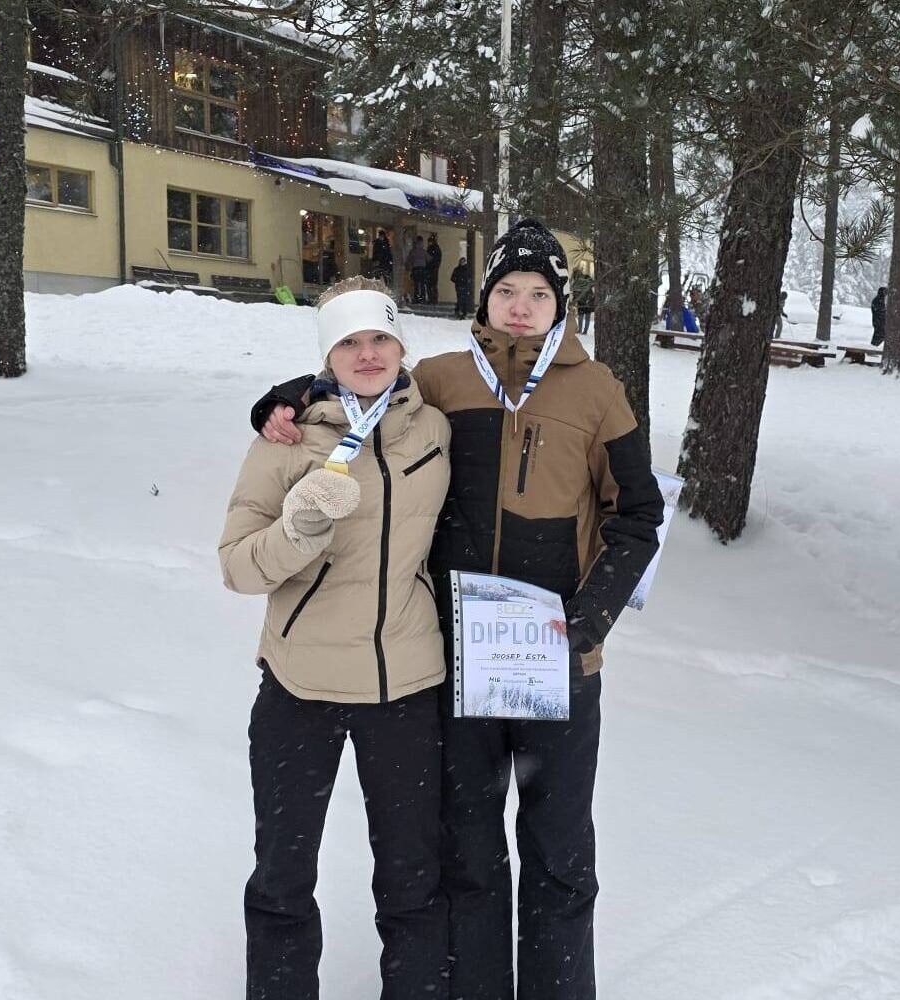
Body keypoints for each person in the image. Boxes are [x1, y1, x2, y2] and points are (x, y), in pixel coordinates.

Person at [252, 218, 665, 1000]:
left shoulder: (599, 389)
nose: (520, 306)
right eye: (506, 290)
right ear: (485, 299)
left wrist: (589, 621)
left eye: (537, 293)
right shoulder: (443, 376)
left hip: (561, 660)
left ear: (560, 304)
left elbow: (638, 516)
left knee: (560, 850)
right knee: (468, 849)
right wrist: (286, 397)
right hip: (462, 658)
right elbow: (361, 391)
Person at [218, 277, 453, 1000]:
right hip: (300, 688)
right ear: (327, 353)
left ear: (401, 343)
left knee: (414, 882)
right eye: (349, 340)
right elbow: (236, 566)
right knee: (284, 878)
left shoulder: (435, 431)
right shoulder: (285, 441)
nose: (368, 352)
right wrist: (298, 532)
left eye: (380, 336)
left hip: (405, 687)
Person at [406, 235, 429, 304]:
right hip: (422, 269)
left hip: (415, 268)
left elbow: (409, 260)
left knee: (416, 284)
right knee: (422, 285)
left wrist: (409, 268)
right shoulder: (423, 251)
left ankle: (416, 298)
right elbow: (429, 259)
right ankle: (423, 298)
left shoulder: (413, 251)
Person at [572, 269, 595, 335]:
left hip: (587, 300)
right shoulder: (578, 281)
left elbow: (592, 284)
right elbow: (575, 292)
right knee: (582, 316)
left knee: (584, 316)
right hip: (583, 301)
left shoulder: (586, 277)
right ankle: (582, 330)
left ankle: (583, 330)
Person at [426, 233, 444, 305]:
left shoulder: (432, 249)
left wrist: (430, 265)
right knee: (433, 285)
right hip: (434, 269)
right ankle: (433, 299)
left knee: (431, 285)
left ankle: (432, 299)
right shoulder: (436, 249)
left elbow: (431, 259)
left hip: (431, 269)